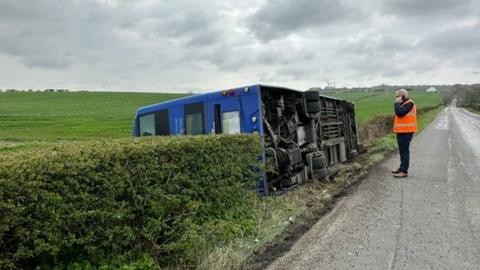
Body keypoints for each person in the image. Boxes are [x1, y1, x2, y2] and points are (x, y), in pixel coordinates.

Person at [392, 89, 417, 178]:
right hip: (401, 131)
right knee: (402, 151)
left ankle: (404, 171)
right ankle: (401, 167)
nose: (396, 98)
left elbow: (399, 113)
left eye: (398, 96)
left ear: (403, 96)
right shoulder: (403, 104)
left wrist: (396, 103)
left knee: (404, 151)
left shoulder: (410, 103)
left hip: (407, 131)